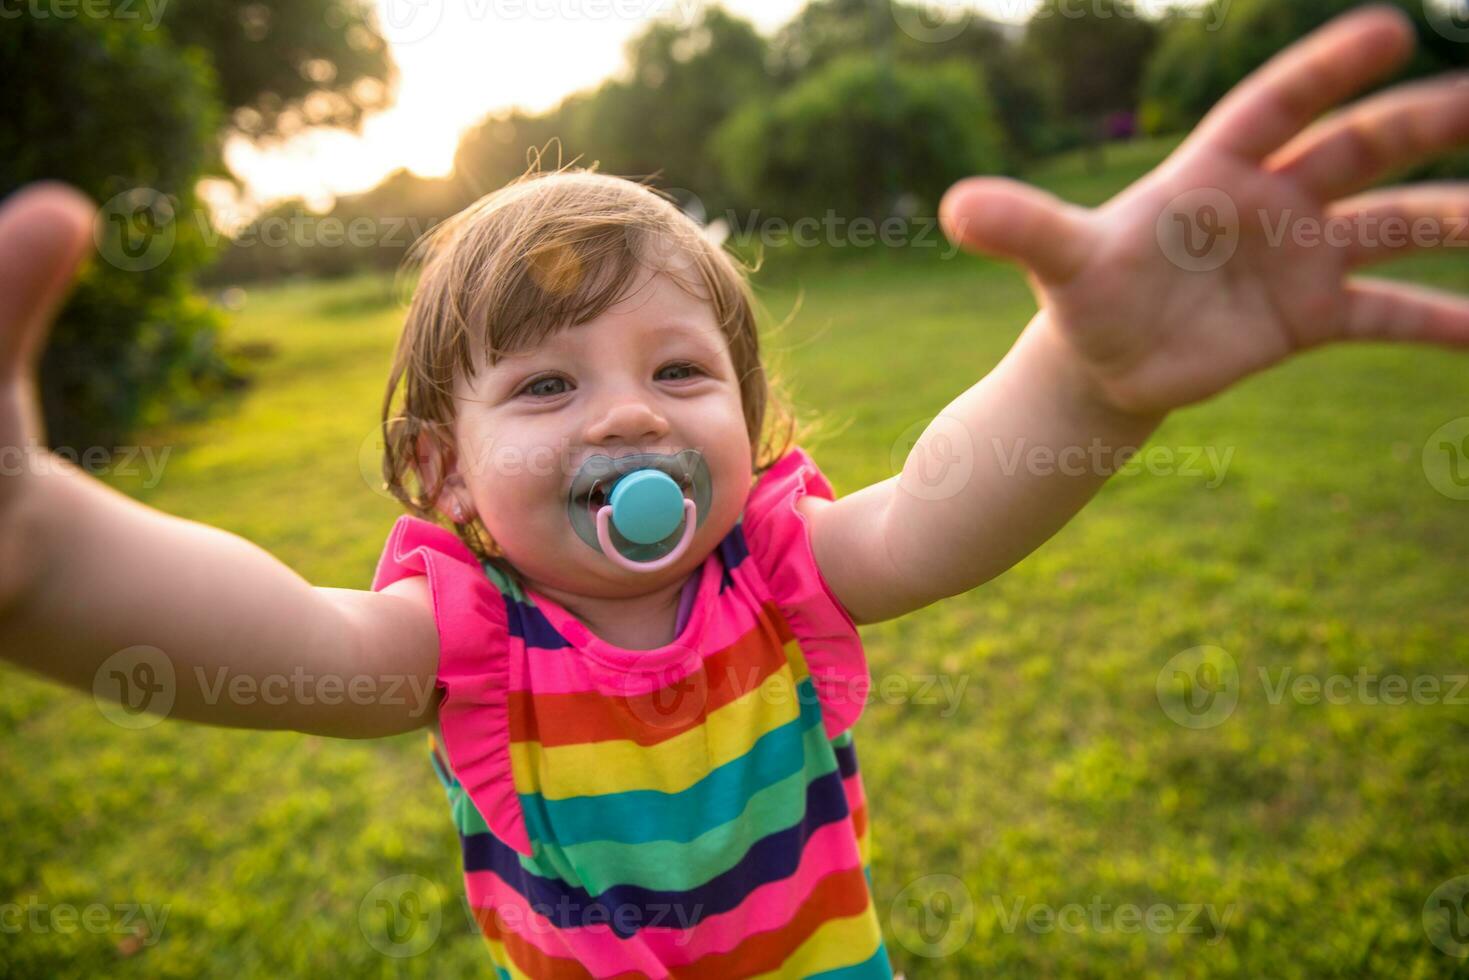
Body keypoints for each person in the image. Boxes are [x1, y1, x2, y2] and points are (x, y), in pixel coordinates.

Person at [2, 6, 1467, 975]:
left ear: (749, 419)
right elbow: (266, 643)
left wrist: (1093, 382)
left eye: (679, 373)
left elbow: (940, 509)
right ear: (438, 471)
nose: (629, 410)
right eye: (545, 384)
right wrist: (44, 552)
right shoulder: (457, 638)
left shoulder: (776, 564)